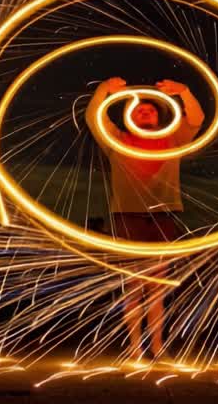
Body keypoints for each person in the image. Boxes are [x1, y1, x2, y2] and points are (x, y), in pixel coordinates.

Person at [85, 76, 205, 362]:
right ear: (128, 116)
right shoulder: (117, 141)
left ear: (161, 115)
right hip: (128, 217)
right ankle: (137, 349)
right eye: (140, 109)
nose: (145, 111)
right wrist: (104, 90)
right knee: (134, 288)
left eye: (151, 109)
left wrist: (185, 91)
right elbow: (93, 117)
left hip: (164, 216)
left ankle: (158, 347)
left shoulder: (173, 139)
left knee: (157, 288)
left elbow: (196, 119)